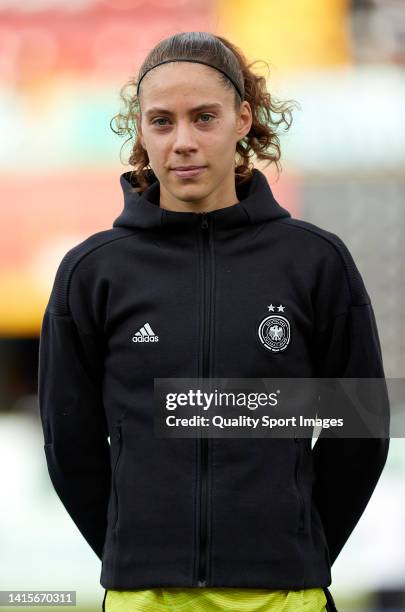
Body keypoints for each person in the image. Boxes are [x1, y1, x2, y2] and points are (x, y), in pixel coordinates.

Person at [38, 31, 390, 612]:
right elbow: (69, 445)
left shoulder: (315, 262)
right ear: (141, 131)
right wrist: (136, 552)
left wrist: (296, 545)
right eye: (161, 122)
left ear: (242, 119)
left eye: (204, 118)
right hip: (144, 595)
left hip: (284, 594)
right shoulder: (92, 272)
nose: (183, 142)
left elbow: (361, 432)